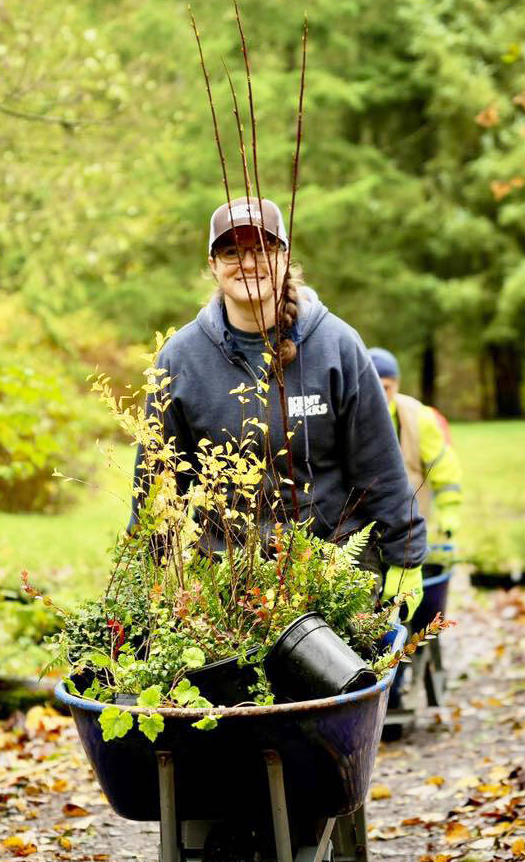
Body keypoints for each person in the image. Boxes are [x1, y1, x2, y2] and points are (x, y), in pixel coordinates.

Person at [133, 196, 426, 617]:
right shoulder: (180, 359)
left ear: (285, 257)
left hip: (333, 575)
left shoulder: (336, 346)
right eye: (232, 251)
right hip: (227, 585)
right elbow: (155, 488)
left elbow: (378, 466)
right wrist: (144, 577)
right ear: (213, 264)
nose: (247, 263)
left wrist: (407, 561)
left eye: (262, 249)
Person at [366, 347, 464, 551]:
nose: (381, 395)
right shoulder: (350, 413)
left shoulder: (420, 417)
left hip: (410, 521)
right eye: (374, 386)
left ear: (397, 384)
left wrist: (449, 512)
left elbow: (443, 467)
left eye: (386, 387)